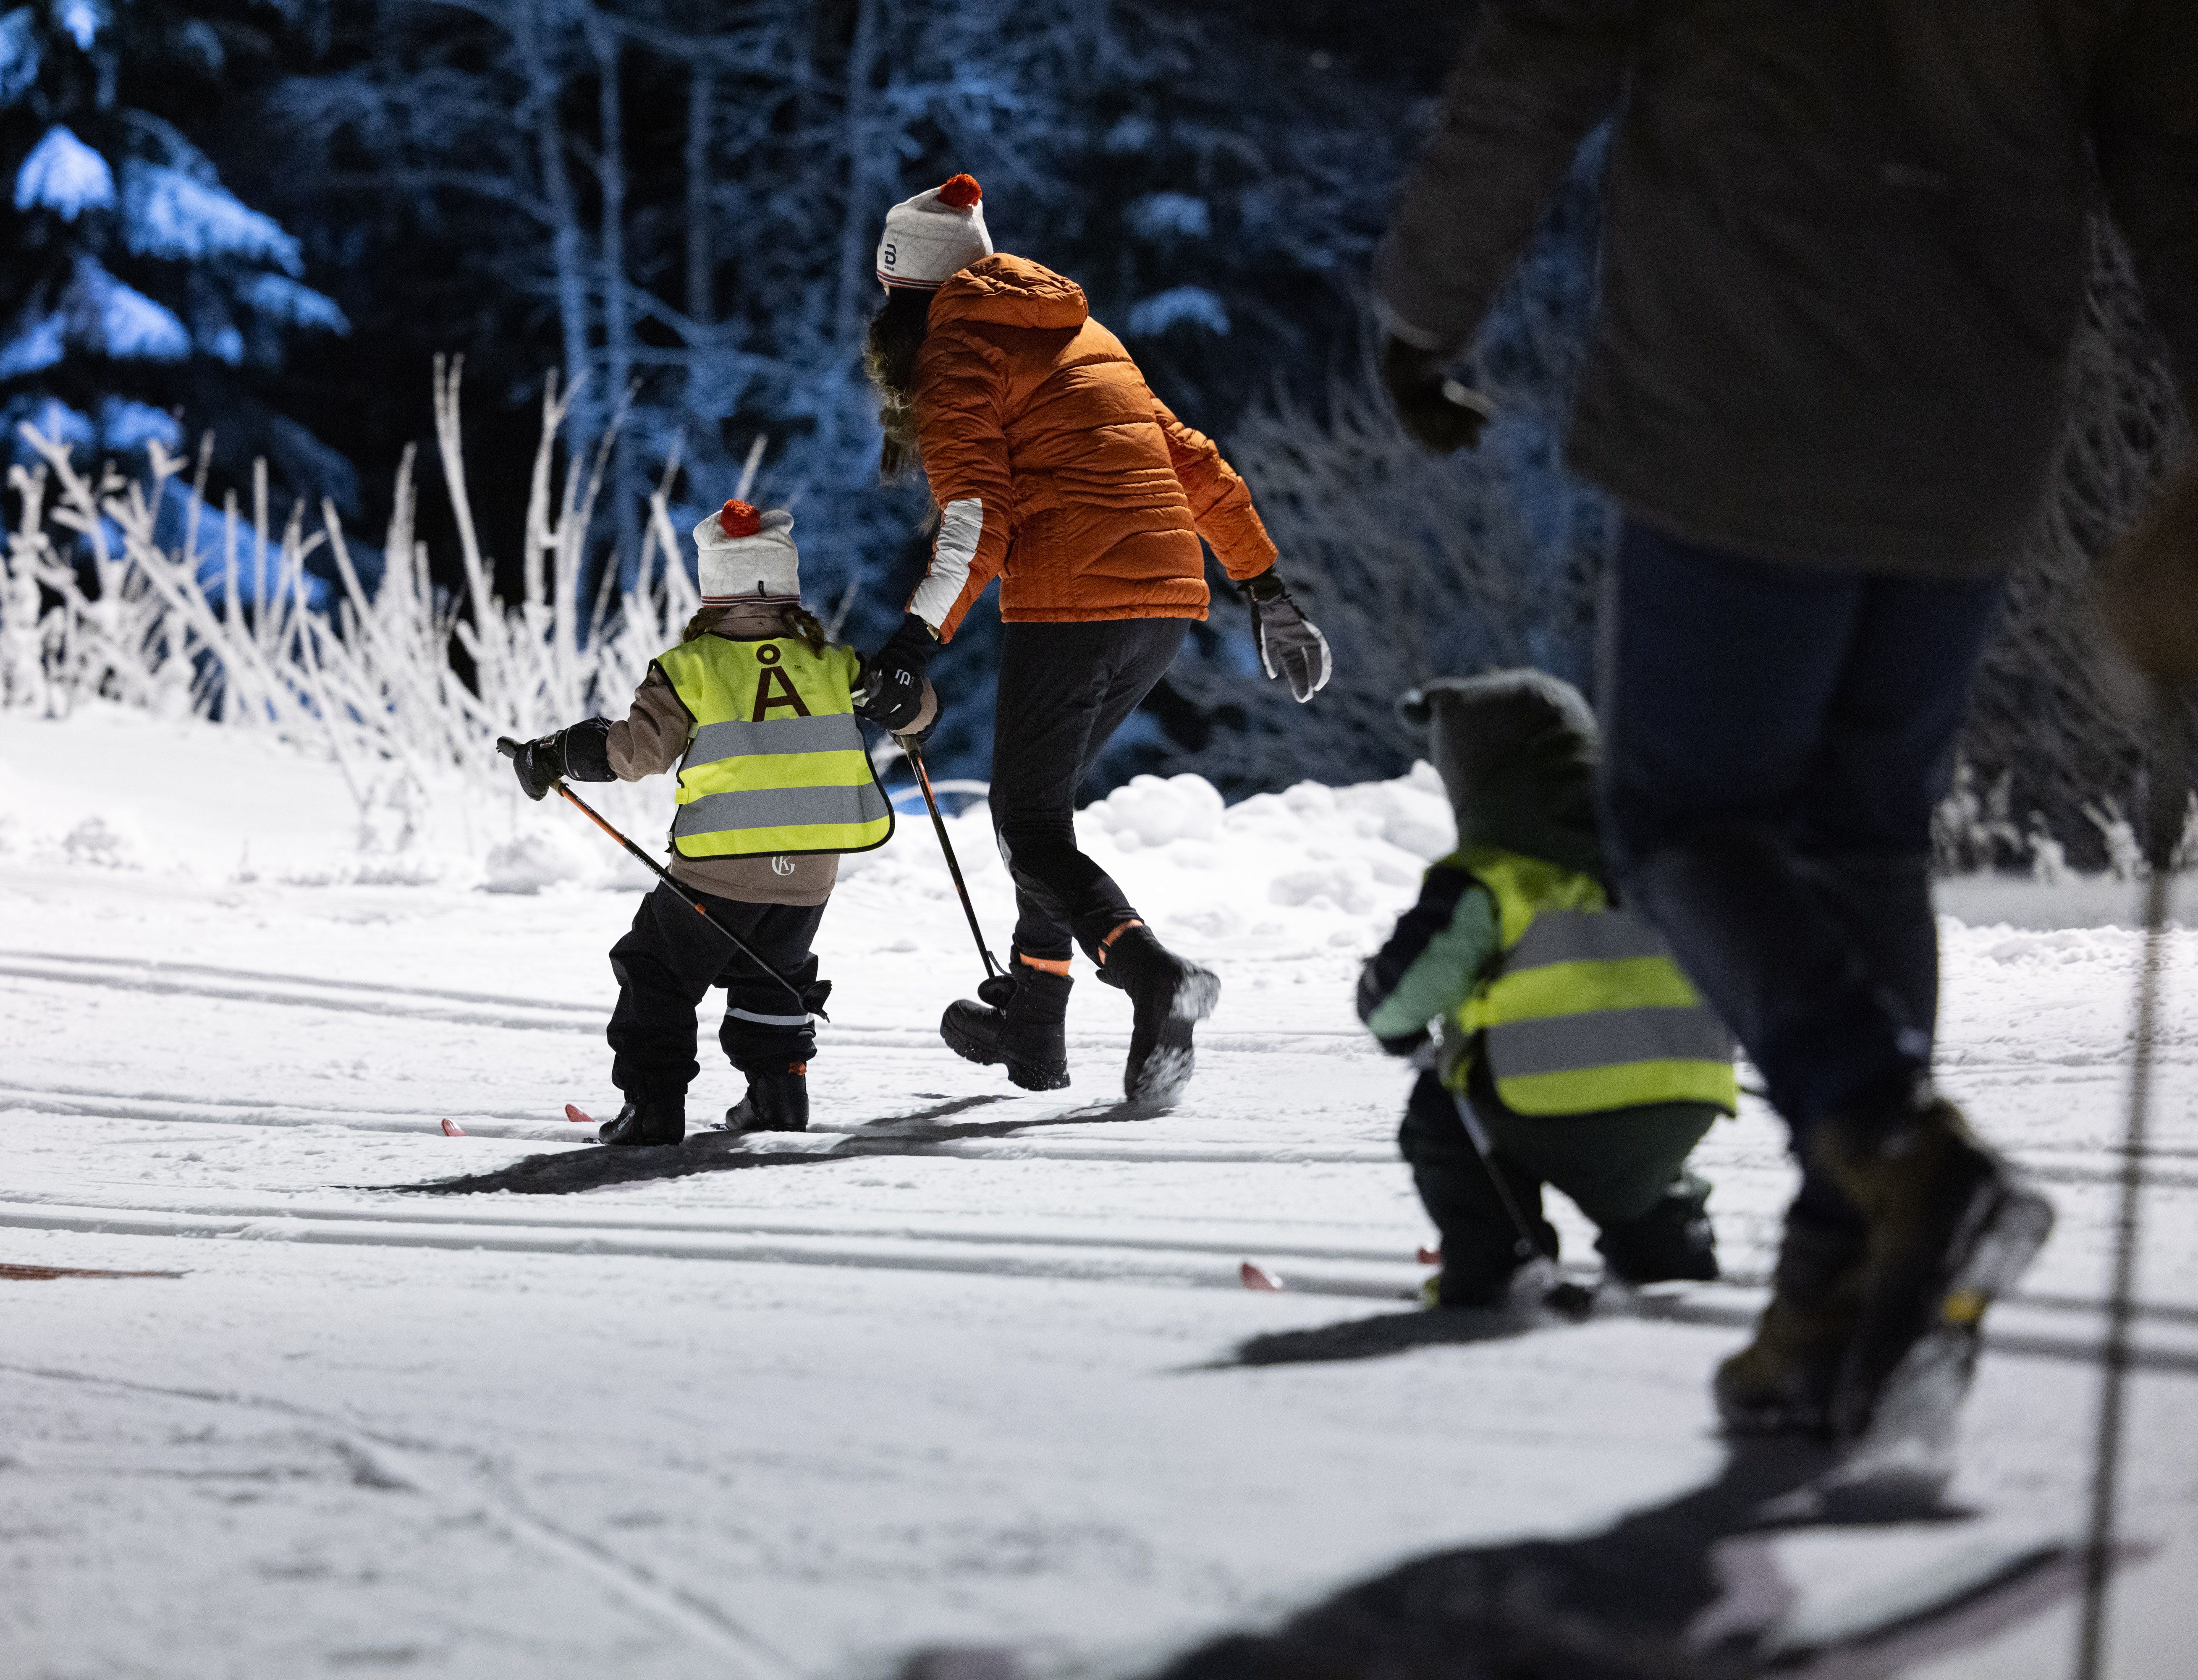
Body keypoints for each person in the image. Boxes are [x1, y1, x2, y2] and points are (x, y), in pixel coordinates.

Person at [1371, 3, 2196, 1446]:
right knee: (1865, 839)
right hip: (1977, 415)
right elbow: (2171, 140)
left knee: (1688, 817)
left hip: (1741, 393)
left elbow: (1544, 54)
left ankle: (1899, 1149)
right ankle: (1841, 1304)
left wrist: (1426, 314)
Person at [852, 173, 1333, 1107]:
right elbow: (1192, 459)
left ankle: (1153, 976)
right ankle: (1035, 1027)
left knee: (1024, 822)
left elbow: (973, 516)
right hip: (1166, 596)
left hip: (1076, 598)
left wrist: (914, 640)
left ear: (907, 293)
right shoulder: (1078, 331)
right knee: (1043, 813)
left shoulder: (956, 352)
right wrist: (1265, 587)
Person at [506, 500, 931, 1146]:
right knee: (775, 972)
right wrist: (911, 696)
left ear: (713, 590)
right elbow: (914, 713)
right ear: (787, 586)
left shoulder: (691, 668)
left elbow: (637, 752)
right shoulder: (833, 662)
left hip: (718, 869)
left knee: (656, 969)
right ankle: (779, 1094)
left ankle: (652, 1108)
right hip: (812, 871)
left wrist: (556, 753)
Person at [1358, 672, 1729, 1311]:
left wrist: (1394, 1026)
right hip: (1684, 1100)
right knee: (1635, 1147)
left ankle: (1502, 1260)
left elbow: (1403, 995)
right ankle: (1667, 1238)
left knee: (1444, 1108)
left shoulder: (1490, 875)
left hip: (1546, 1102)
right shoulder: (1658, 859)